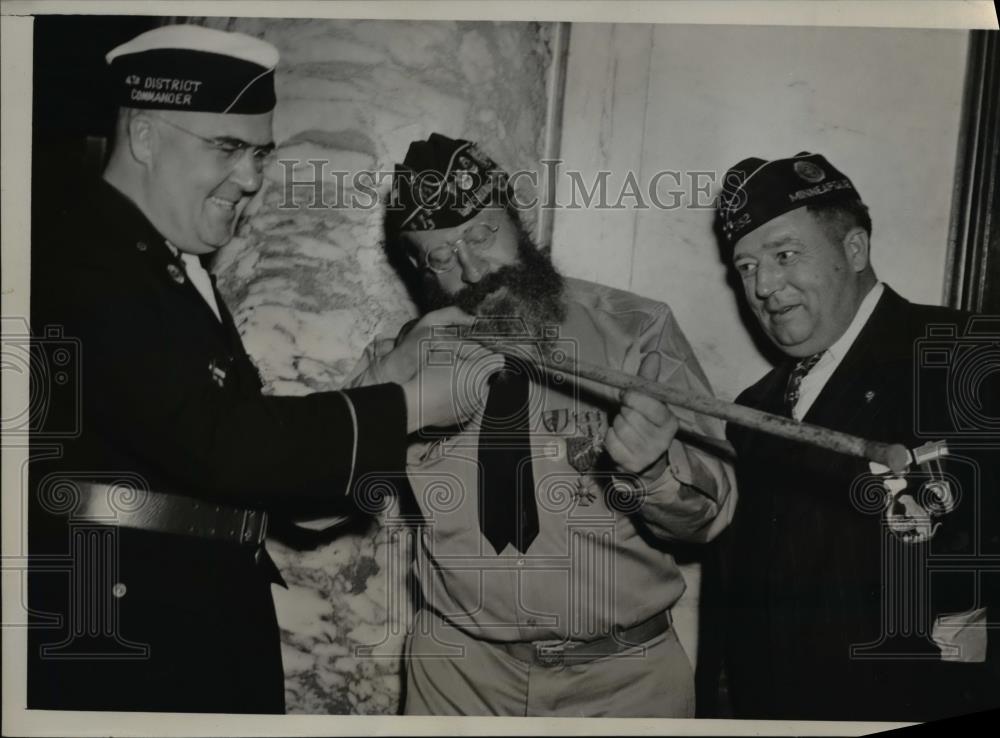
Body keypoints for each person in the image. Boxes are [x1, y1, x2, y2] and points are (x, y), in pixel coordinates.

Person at [27, 26, 494, 714]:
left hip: (184, 618)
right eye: (227, 148)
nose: (249, 179)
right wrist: (412, 403)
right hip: (127, 639)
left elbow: (243, 454)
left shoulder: (164, 264)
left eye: (260, 155)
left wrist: (387, 378)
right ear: (146, 136)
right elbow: (222, 444)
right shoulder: (84, 259)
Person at [347, 133, 736, 717]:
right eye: (442, 255)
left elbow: (713, 516)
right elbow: (309, 501)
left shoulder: (634, 329)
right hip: (459, 678)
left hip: (625, 680)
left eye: (481, 233)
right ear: (418, 267)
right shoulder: (401, 357)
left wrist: (655, 472)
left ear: (516, 216)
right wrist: (384, 384)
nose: (473, 267)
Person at [713, 152, 1000, 721]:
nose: (765, 286)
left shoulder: (968, 356)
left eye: (784, 255)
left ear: (854, 249)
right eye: (745, 267)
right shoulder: (754, 409)